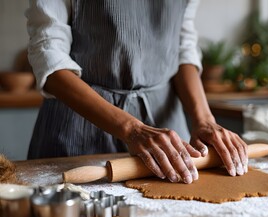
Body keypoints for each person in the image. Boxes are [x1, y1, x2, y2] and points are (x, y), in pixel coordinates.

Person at [25, 0, 248, 184]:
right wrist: (132, 129)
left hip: (166, 125)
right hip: (79, 127)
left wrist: (205, 119)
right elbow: (50, 59)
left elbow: (182, 47)